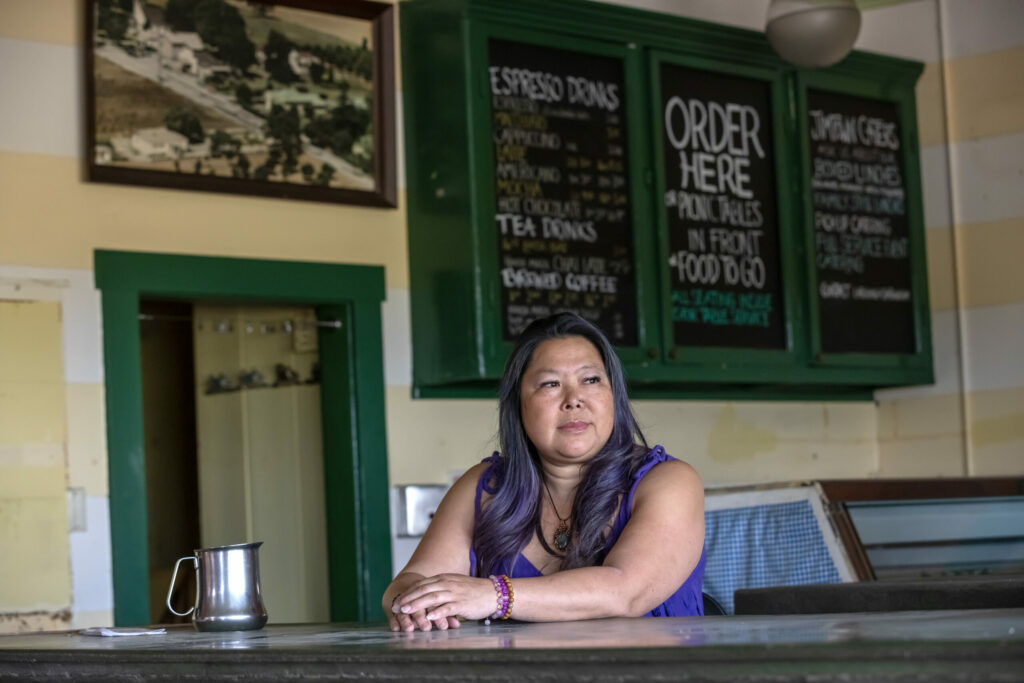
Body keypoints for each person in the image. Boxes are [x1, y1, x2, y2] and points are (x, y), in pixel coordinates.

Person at [383, 313, 705, 631]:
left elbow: (626, 592)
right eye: (550, 384)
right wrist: (412, 606)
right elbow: (411, 582)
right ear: (519, 404)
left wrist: (495, 596)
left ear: (614, 396)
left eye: (591, 380)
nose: (573, 399)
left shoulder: (668, 482)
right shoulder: (483, 487)